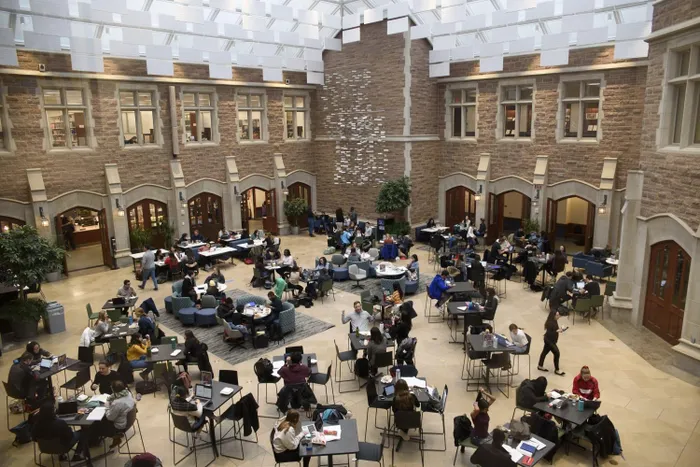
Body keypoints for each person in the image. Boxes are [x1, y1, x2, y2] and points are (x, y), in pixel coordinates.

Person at [95, 380, 135, 449]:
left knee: (95, 424)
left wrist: (107, 406)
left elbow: (110, 417)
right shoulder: (127, 393)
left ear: (113, 389)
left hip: (119, 427)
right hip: (129, 421)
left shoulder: (117, 403)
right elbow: (115, 396)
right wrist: (111, 399)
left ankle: (94, 441)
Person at [537, 310, 566, 375]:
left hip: (550, 340)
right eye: (557, 315)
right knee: (557, 353)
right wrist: (558, 331)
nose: (559, 316)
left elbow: (554, 330)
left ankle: (540, 365)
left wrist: (559, 330)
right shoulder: (550, 323)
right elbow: (550, 333)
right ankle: (557, 370)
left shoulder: (554, 321)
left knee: (544, 352)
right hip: (549, 341)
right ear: (553, 316)